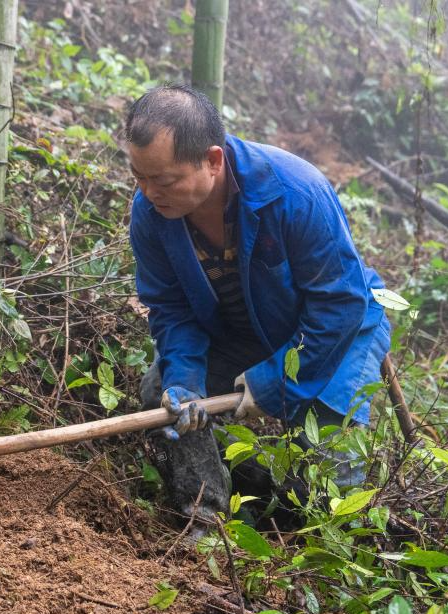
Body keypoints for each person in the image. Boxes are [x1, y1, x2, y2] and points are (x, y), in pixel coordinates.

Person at [125, 84, 391, 533]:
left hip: (334, 336)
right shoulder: (150, 214)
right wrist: (185, 379)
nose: (149, 192)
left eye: (165, 180)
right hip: (239, 331)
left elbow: (338, 304)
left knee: (331, 495)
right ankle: (208, 520)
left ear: (213, 160)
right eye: (139, 176)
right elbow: (171, 308)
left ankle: (302, 535)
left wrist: (270, 384)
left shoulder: (294, 192)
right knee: (163, 391)